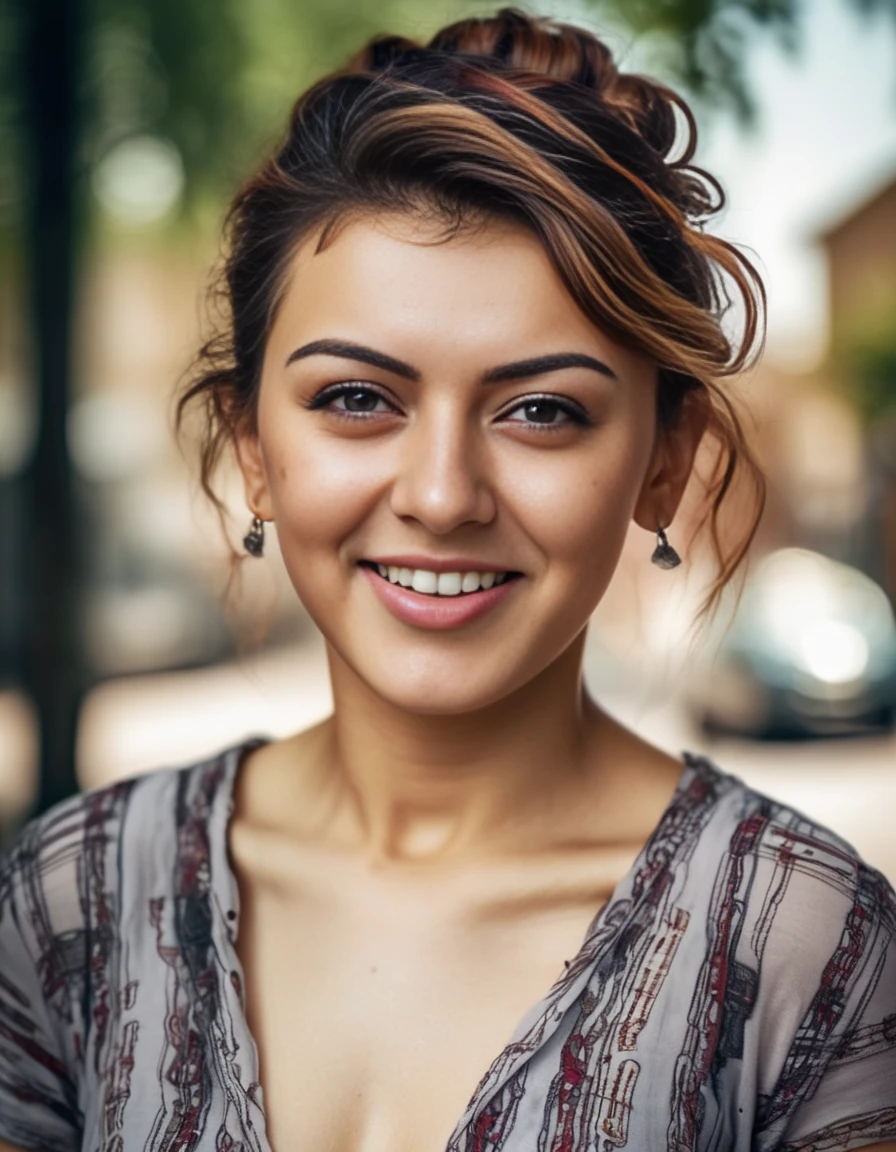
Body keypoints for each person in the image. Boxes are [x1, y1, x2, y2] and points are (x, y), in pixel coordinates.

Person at [1, 8, 895, 1151]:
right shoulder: (71, 901)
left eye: (539, 411)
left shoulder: (803, 947)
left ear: (661, 464)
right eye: (357, 399)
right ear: (255, 451)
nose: (440, 493)